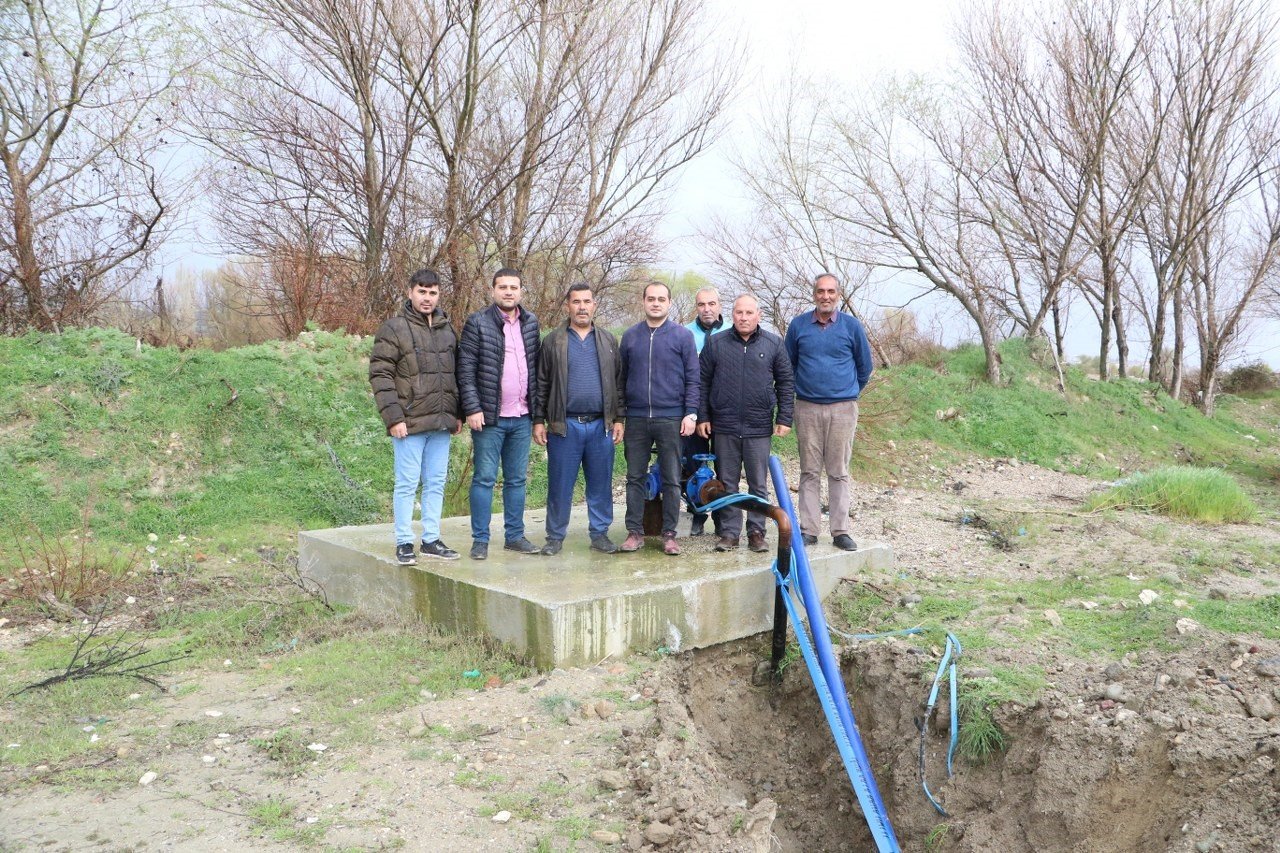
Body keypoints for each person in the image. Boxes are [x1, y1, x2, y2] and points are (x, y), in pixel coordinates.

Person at [368, 268, 464, 565]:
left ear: (439, 295)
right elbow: (380, 374)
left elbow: (457, 374)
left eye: (433, 292)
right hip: (409, 423)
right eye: (422, 292)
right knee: (407, 483)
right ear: (410, 292)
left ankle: (431, 539)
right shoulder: (394, 328)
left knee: (436, 482)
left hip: (441, 423)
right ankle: (404, 541)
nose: (427, 298)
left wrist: (457, 413)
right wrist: (393, 417)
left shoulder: (448, 329)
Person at [532, 283, 625, 556]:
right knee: (560, 484)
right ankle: (555, 537)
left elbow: (618, 383)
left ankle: (600, 534)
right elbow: (541, 383)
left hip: (600, 426)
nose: (582, 307)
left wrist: (619, 418)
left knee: (600, 484)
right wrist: (539, 420)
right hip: (565, 426)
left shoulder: (608, 340)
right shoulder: (553, 341)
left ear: (594, 305)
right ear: (567, 306)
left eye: (587, 301)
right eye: (576, 302)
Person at [783, 273, 874, 550]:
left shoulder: (852, 326)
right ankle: (809, 529)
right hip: (807, 407)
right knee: (809, 471)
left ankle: (840, 531)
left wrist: (846, 392)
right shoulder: (798, 326)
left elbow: (865, 367)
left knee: (838, 471)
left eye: (831, 291)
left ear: (839, 294)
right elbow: (788, 366)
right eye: (821, 291)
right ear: (814, 294)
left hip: (843, 409)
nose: (826, 296)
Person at [697, 294, 794, 553]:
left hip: (758, 425)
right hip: (724, 425)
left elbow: (786, 382)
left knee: (757, 483)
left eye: (749, 313)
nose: (744, 317)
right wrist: (703, 416)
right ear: (732, 315)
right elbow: (702, 382)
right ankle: (729, 532)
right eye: (739, 313)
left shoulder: (774, 343)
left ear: (758, 315)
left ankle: (756, 532)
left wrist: (784, 417)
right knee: (726, 482)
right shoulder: (716, 343)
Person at [457, 268, 541, 560]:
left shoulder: (531, 323)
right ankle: (480, 539)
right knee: (484, 478)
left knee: (517, 479)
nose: (508, 291)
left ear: (521, 291)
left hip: (521, 416)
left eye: (513, 287)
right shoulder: (477, 323)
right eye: (502, 287)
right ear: (492, 290)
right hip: (489, 418)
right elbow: (465, 370)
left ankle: (514, 536)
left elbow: (536, 371)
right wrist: (472, 407)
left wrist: (537, 415)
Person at [618, 281, 699, 556]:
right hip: (637, 418)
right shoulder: (630, 337)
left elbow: (693, 378)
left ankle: (669, 534)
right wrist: (621, 415)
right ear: (643, 302)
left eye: (661, 299)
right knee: (634, 477)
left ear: (669, 302)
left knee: (672, 478)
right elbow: (621, 379)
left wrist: (691, 413)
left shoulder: (682, 336)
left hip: (671, 417)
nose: (655, 303)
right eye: (651, 298)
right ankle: (634, 532)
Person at [683, 286, 729, 536]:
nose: (707, 309)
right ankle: (697, 515)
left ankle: (723, 518)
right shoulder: (684, 333)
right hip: (693, 411)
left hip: (724, 413)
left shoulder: (732, 332)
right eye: (701, 305)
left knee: (725, 468)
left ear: (719, 305)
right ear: (696, 307)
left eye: (711, 304)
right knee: (694, 466)